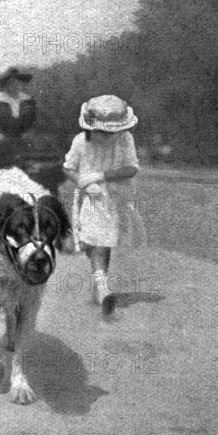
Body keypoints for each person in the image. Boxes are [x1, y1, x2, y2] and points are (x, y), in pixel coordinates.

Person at [63, 95, 146, 315]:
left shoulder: (125, 139)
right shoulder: (80, 142)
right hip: (92, 197)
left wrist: (100, 175)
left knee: (103, 242)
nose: (109, 137)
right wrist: (83, 181)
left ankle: (100, 284)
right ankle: (102, 287)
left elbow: (131, 168)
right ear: (91, 128)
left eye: (113, 132)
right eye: (103, 132)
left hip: (117, 194)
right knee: (96, 241)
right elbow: (69, 168)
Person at [0, 67, 36, 170]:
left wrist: (29, 132)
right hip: (2, 139)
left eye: (18, 82)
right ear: (6, 85)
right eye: (12, 83)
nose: (15, 86)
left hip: (23, 139)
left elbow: (34, 121)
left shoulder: (28, 100)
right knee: (2, 167)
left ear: (22, 84)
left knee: (28, 166)